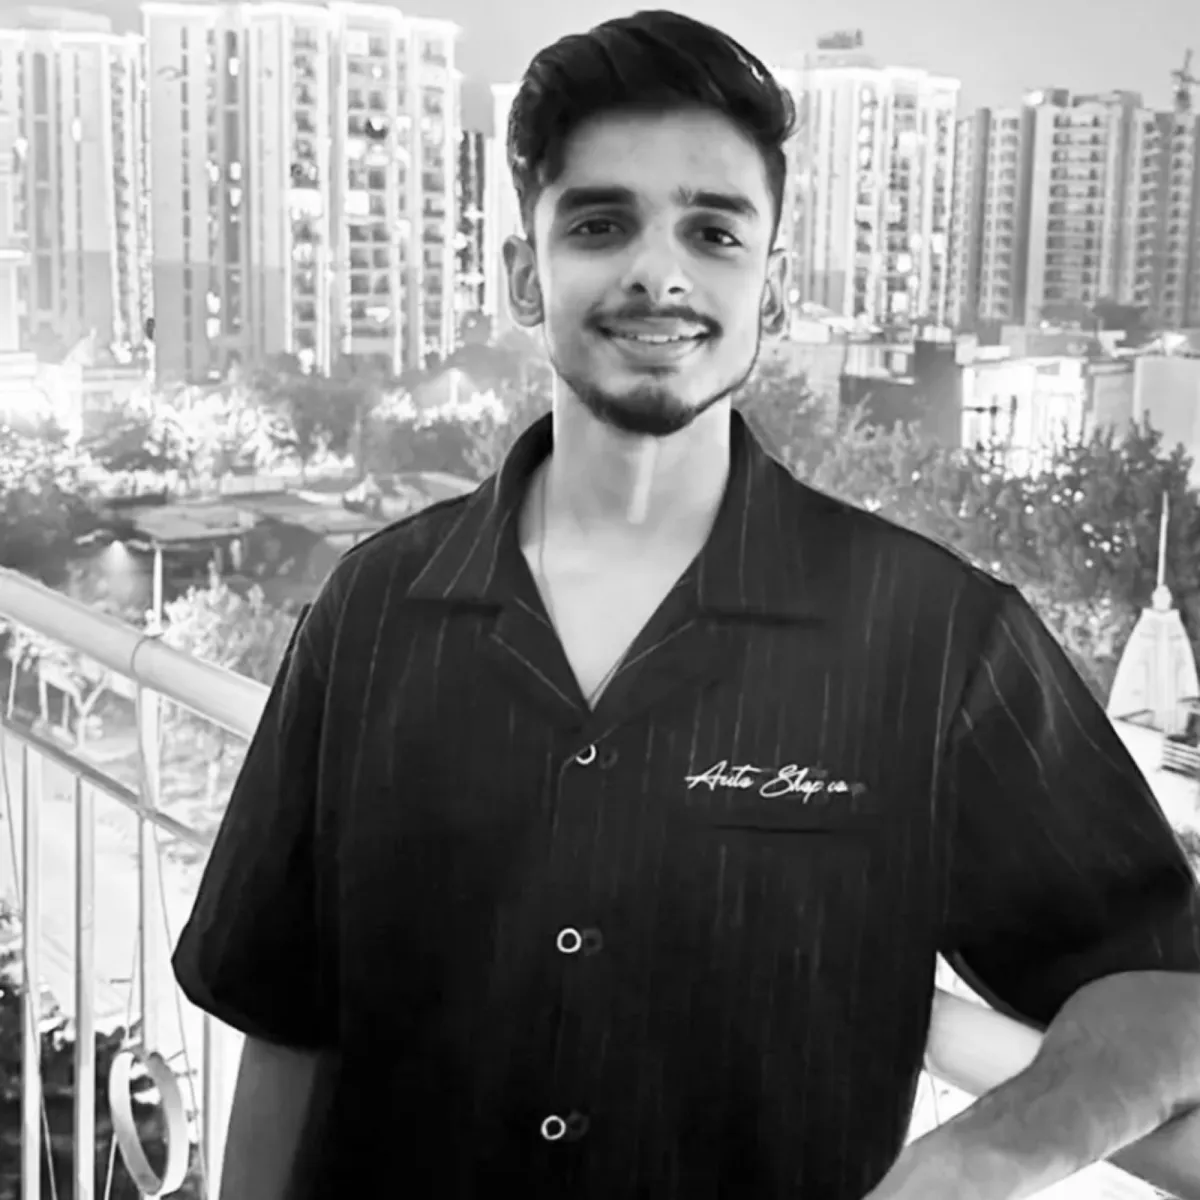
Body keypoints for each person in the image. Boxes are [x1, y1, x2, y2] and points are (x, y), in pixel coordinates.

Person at [173, 11, 1200, 1200]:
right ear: (524, 275)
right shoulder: (374, 610)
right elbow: (288, 1024)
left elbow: (1167, 986)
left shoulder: (935, 640)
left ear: (775, 286)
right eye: (599, 224)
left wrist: (981, 1158)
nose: (657, 273)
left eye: (713, 232)